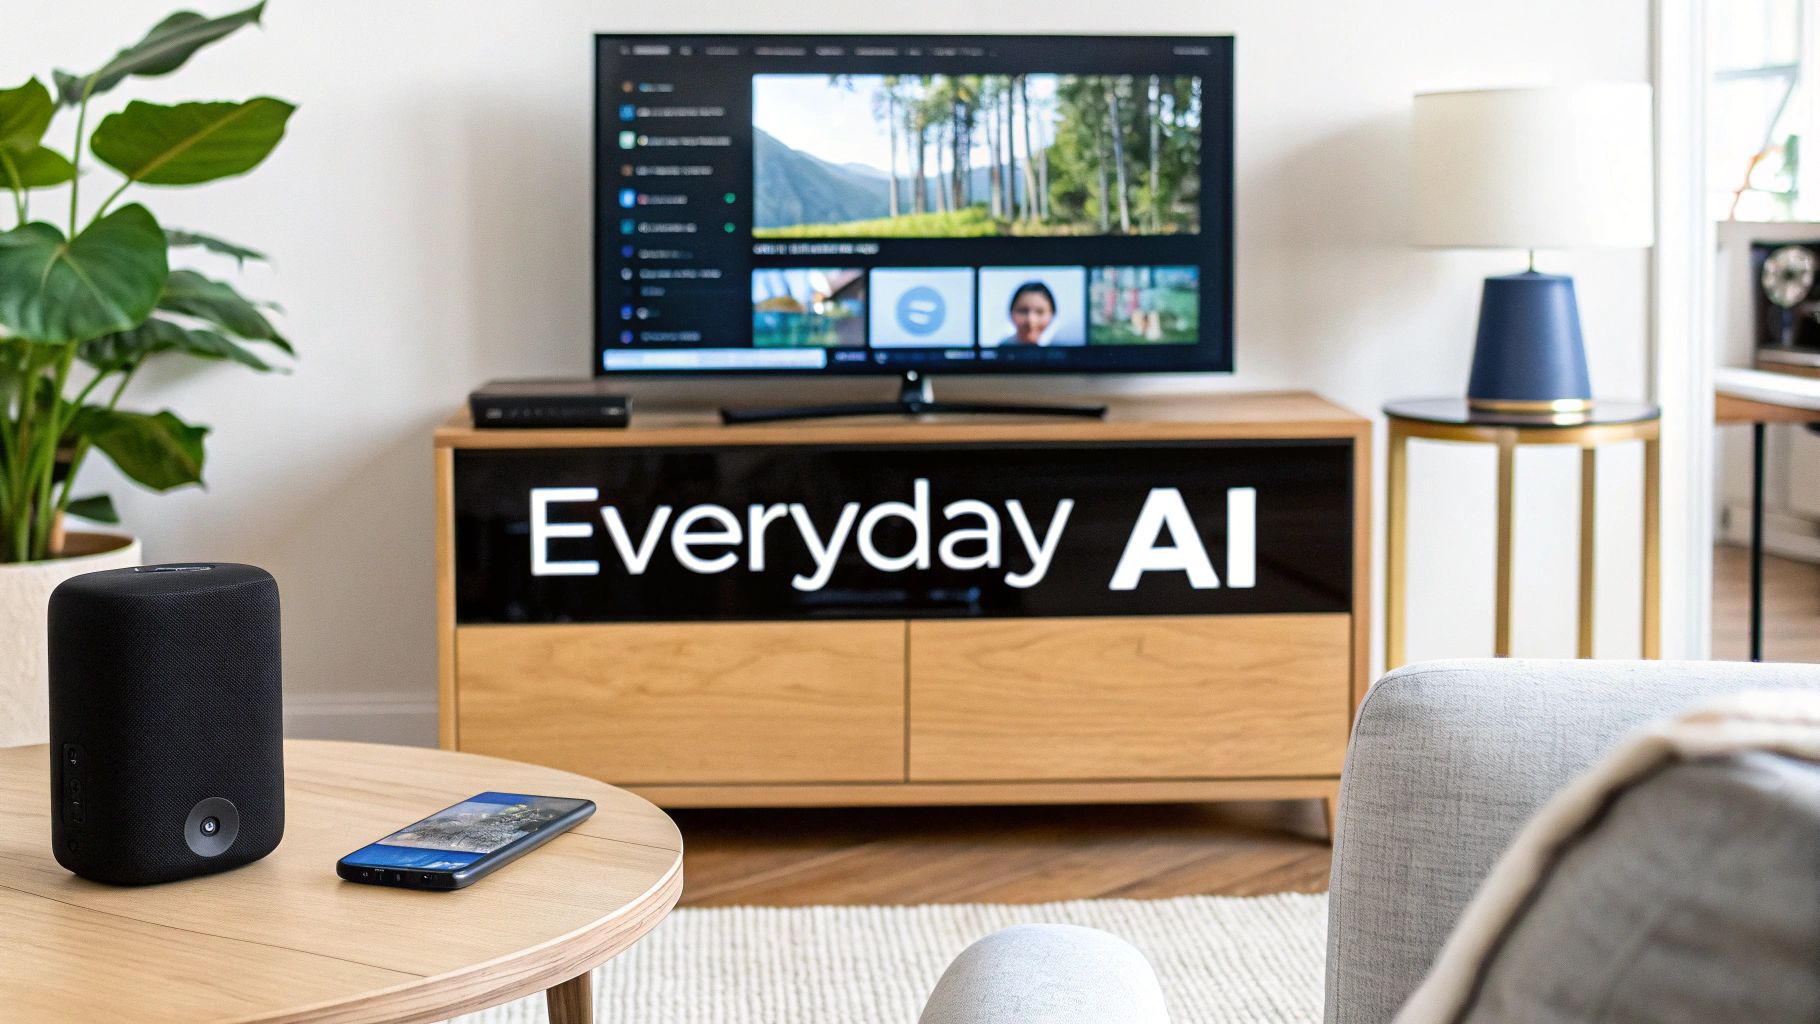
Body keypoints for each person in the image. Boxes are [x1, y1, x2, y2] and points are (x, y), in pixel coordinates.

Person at [999, 281, 1057, 345]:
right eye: (1023, 311)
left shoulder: (1059, 350)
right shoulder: (1001, 350)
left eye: (1039, 312)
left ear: (1052, 315)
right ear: (1011, 313)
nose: (1031, 320)